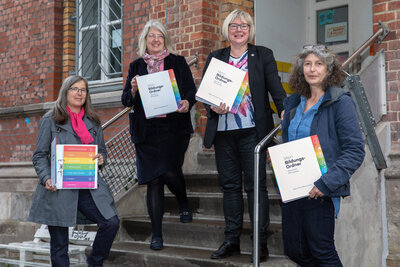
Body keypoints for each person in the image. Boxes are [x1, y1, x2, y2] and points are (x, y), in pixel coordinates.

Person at [203, 9, 287, 261]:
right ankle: (231, 241)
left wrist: (284, 111)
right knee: (229, 188)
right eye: (233, 26)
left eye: (244, 25)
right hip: (224, 133)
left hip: (253, 132)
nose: (239, 30)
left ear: (250, 30)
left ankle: (259, 243)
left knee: (255, 187)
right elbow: (207, 93)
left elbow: (275, 87)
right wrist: (212, 106)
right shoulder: (215, 57)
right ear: (226, 30)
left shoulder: (262, 54)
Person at [280, 45, 365, 266]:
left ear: (329, 70)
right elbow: (290, 143)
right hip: (293, 189)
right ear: (301, 70)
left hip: (321, 190)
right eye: (307, 64)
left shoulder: (340, 102)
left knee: (322, 250)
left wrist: (326, 183)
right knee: (294, 249)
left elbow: (355, 150)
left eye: (319, 64)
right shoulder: (292, 104)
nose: (312, 69)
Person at [28, 75, 120, 267]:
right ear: (65, 92)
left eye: (83, 90)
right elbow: (39, 155)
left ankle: (95, 262)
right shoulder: (51, 119)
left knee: (111, 223)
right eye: (74, 89)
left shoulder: (93, 121)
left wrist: (101, 159)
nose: (79, 93)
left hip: (86, 184)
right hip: (58, 187)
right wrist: (46, 178)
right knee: (59, 245)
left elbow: (100, 151)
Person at [121, 19, 196, 251]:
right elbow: (126, 101)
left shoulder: (177, 62)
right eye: (151, 36)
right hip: (147, 132)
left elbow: (190, 91)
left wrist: (186, 102)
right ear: (145, 40)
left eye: (160, 36)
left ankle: (183, 201)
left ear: (165, 40)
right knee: (154, 179)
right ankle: (157, 234)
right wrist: (133, 89)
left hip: (173, 129)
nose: (155, 40)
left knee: (171, 172)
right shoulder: (136, 66)